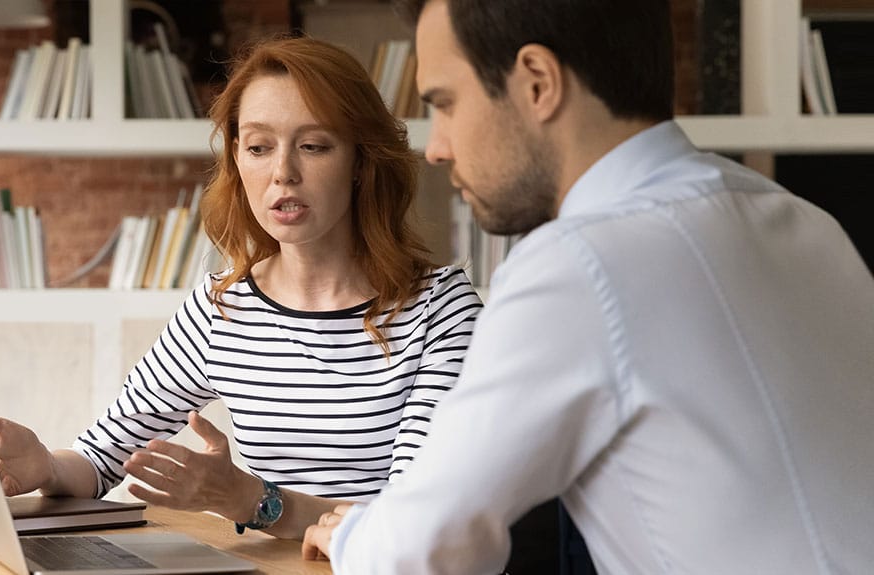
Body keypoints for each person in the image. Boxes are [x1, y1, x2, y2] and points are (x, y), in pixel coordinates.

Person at [302, 0, 874, 572]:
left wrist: (354, 535)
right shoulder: (804, 222)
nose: (436, 147)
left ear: (537, 83)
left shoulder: (580, 262)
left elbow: (423, 550)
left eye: (446, 104)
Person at [0, 36, 482, 541]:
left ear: (360, 162)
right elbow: (102, 458)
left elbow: (417, 525)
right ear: (238, 158)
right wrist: (46, 466)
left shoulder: (442, 310)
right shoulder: (222, 308)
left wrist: (250, 500)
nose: (283, 173)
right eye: (259, 147)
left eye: (314, 146)